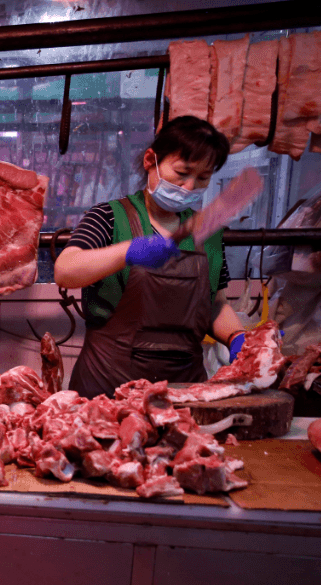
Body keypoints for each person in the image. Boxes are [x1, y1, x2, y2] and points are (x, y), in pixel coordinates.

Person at [55, 116, 246, 398]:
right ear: (150, 160)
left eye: (203, 178)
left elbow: (215, 304)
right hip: (108, 391)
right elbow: (65, 270)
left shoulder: (208, 232)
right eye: (182, 172)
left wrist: (238, 337)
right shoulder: (108, 217)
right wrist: (129, 252)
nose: (190, 187)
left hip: (183, 392)